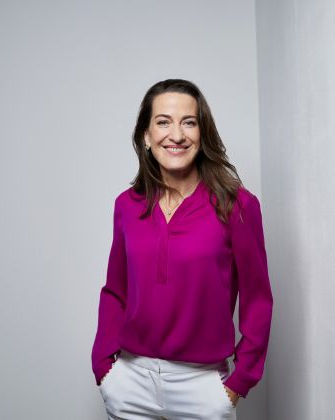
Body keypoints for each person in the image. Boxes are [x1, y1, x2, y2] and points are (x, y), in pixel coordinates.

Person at [91, 78, 274, 419]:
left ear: (202, 134)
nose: (176, 135)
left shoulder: (237, 206)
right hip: (130, 381)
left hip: (203, 386)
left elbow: (258, 299)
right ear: (146, 136)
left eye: (188, 122)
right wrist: (104, 367)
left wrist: (239, 381)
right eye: (163, 122)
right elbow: (116, 290)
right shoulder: (126, 205)